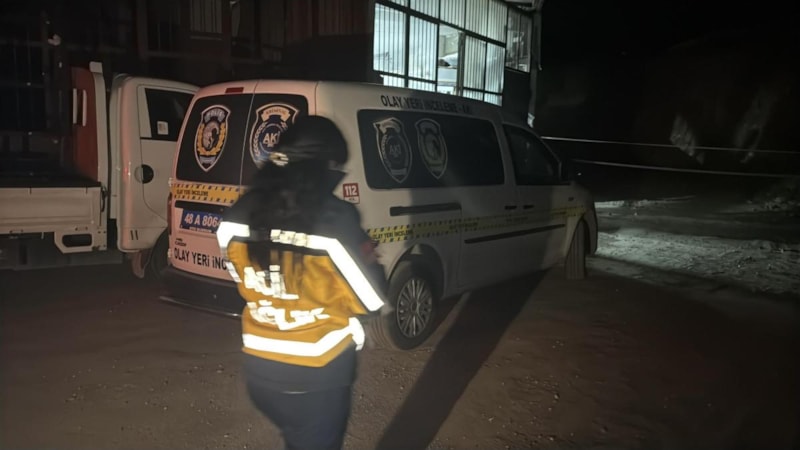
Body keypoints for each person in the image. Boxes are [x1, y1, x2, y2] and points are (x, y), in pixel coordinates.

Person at [216, 115, 387, 450]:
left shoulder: (240, 212)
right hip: (316, 378)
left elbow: (241, 277)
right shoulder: (335, 219)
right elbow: (371, 299)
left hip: (260, 372)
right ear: (325, 166)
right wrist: (369, 259)